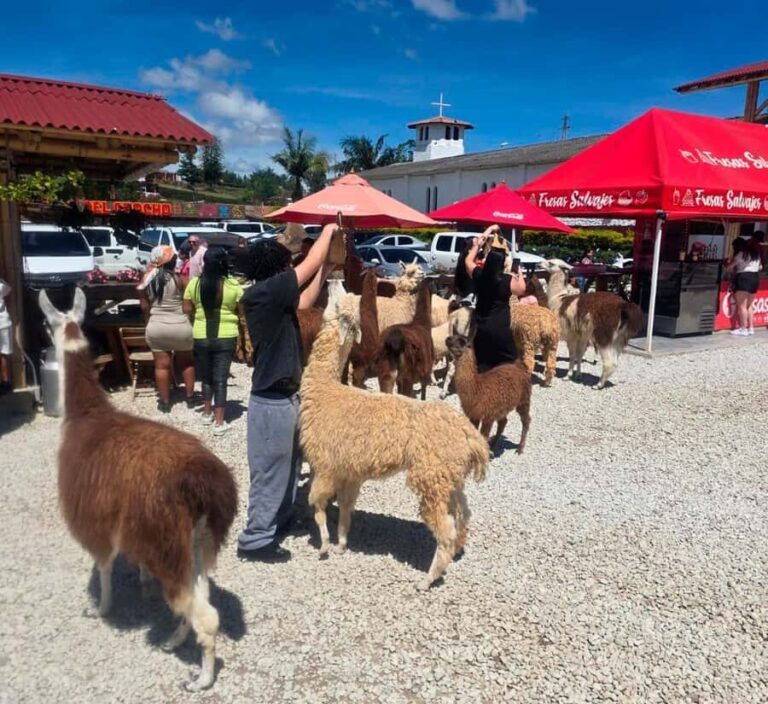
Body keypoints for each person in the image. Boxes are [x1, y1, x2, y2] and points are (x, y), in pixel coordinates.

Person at [236, 223, 337, 562]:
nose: (288, 267)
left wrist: (327, 268)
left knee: (289, 465)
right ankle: (255, 540)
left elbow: (306, 299)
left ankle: (278, 520)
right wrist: (329, 229)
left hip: (286, 397)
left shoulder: (273, 298)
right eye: (284, 264)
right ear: (275, 269)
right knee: (269, 469)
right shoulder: (262, 294)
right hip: (271, 400)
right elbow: (303, 270)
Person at [183, 248, 243, 434]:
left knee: (206, 376)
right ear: (223, 263)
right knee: (220, 379)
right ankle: (219, 422)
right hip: (225, 336)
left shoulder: (194, 284)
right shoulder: (233, 285)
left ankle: (207, 413)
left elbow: (186, 309)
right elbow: (241, 313)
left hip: (201, 334)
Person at [137, 246, 195, 413]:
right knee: (187, 363)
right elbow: (188, 307)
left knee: (161, 366)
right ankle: (190, 398)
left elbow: (144, 306)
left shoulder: (146, 280)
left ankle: (164, 402)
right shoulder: (181, 279)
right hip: (180, 326)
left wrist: (149, 322)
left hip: (157, 326)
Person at [464, 225, 526, 372]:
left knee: (483, 366)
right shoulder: (506, 281)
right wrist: (519, 271)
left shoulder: (479, 275)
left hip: (481, 328)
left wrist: (478, 244)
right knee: (510, 366)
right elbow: (522, 289)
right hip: (501, 328)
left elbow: (468, 260)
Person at [727, 237, 762, 336]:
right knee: (749, 306)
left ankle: (743, 329)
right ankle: (750, 328)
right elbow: (760, 267)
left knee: (741, 306)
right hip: (755, 278)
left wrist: (728, 264)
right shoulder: (755, 254)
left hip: (744, 278)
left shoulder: (741, 254)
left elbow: (730, 267)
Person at [0, 278, 13, 394]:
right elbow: (8, 291)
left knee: (4, 354)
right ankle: (6, 382)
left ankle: (5, 382)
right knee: (5, 353)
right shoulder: (2, 285)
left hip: (3, 323)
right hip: (4, 322)